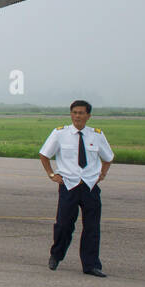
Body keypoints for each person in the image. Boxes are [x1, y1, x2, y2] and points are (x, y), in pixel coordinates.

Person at [40, 100, 115, 277]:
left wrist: (101, 175)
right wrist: (52, 174)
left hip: (89, 187)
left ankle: (91, 265)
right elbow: (44, 154)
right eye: (74, 112)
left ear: (88, 116)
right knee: (64, 225)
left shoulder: (96, 135)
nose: (77, 116)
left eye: (81, 113)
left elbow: (108, 157)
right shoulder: (60, 134)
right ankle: (56, 255)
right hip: (69, 186)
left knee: (92, 227)